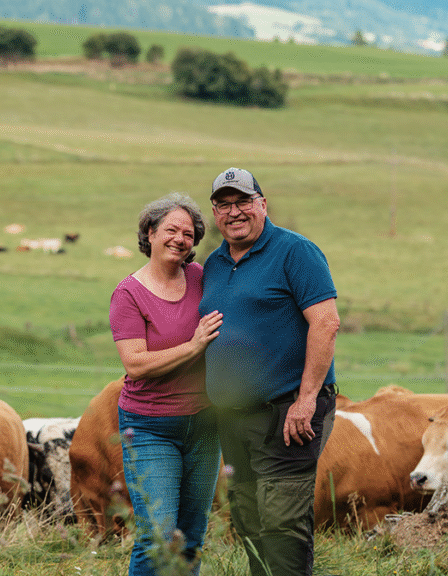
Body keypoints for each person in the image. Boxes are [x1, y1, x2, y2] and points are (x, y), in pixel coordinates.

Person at [198, 167, 340, 576]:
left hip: (288, 413)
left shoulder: (295, 251)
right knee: (247, 519)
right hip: (234, 418)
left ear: (262, 204)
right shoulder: (215, 264)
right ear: (214, 212)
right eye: (224, 205)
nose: (234, 212)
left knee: (281, 522)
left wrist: (307, 399)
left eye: (243, 201)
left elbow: (326, 322)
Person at [108, 193, 224, 576]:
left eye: (189, 233)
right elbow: (136, 364)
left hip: (205, 424)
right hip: (149, 427)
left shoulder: (201, 277)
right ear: (151, 232)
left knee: (191, 537)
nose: (180, 238)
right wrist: (194, 345)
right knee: (157, 536)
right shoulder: (128, 293)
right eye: (171, 229)